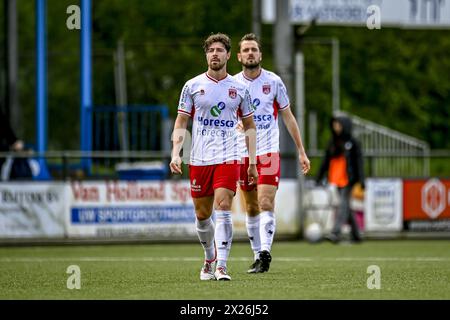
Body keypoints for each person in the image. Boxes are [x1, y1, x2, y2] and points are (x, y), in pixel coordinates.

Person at [169, 33, 258, 281]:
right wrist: (176, 153)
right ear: (206, 55)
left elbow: (250, 126)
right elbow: (181, 121)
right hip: (199, 158)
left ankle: (222, 266)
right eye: (211, 51)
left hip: (229, 155)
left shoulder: (239, 89)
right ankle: (209, 258)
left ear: (229, 55)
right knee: (202, 215)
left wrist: (251, 162)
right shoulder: (192, 86)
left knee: (223, 206)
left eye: (219, 50)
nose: (215, 54)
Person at [234, 33, 310, 273]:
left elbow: (288, 117)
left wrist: (301, 151)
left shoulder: (274, 81)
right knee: (251, 207)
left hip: (268, 152)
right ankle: (258, 256)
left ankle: (265, 252)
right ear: (238, 56)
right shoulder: (232, 84)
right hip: (241, 153)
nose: (250, 53)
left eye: (254, 49)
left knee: (266, 201)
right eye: (245, 50)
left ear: (260, 54)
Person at [316, 115, 365, 244]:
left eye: (338, 125)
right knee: (346, 207)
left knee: (343, 204)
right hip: (336, 179)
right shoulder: (332, 142)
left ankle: (335, 232)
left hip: (349, 179)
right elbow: (325, 161)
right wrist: (319, 176)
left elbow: (359, 162)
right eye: (334, 125)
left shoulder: (353, 142)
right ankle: (356, 235)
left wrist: (361, 179)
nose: (336, 127)